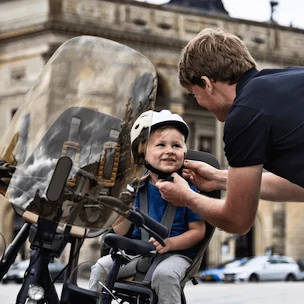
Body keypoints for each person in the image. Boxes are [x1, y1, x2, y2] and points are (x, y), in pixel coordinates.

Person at [155, 27, 304, 235]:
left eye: (194, 94)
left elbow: (237, 221)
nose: (198, 102)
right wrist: (221, 179)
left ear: (207, 84)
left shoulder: (243, 114)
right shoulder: (288, 78)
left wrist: (187, 197)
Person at [89, 110, 206, 304]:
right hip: (138, 252)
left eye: (176, 145)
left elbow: (198, 231)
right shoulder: (136, 188)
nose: (169, 150)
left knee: (164, 276)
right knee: (101, 266)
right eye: (161, 145)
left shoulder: (188, 189)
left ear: (184, 151)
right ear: (143, 154)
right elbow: (120, 230)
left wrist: (170, 243)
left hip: (177, 255)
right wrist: (124, 207)